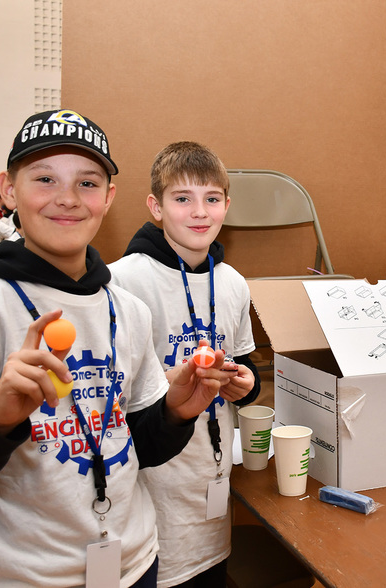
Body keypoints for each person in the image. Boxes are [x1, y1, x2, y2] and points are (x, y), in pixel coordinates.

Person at [0, 109, 230, 586]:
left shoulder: (126, 310)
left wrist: (176, 412)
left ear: (109, 198)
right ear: (8, 189)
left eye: (88, 183)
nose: (68, 199)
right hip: (22, 578)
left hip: (134, 565)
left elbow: (136, 445)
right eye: (45, 179)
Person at [110, 141, 260, 587]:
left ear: (227, 206)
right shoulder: (125, 280)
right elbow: (111, 404)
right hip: (151, 488)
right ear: (156, 207)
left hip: (211, 479)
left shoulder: (232, 282)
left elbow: (244, 363)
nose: (200, 212)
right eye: (182, 199)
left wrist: (246, 384)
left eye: (212, 199)